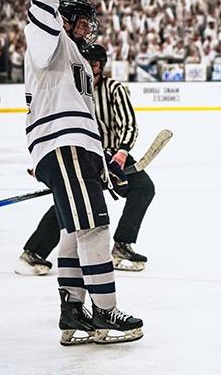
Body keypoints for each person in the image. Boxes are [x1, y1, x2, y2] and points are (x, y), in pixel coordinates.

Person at [24, 0, 142, 345]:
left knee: (74, 233)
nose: (89, 28)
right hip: (64, 144)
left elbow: (81, 114)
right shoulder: (50, 40)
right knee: (94, 228)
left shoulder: (72, 55)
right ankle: (105, 313)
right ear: (65, 19)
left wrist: (103, 160)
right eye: (82, 21)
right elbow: (41, 8)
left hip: (74, 147)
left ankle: (73, 315)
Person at [16, 43, 155, 276]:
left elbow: (128, 124)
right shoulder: (70, 91)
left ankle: (121, 245)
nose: (93, 66)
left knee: (143, 187)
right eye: (88, 62)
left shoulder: (113, 89)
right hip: (81, 154)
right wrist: (46, 158)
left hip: (112, 155)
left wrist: (121, 153)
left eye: (97, 63)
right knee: (70, 200)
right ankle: (34, 252)